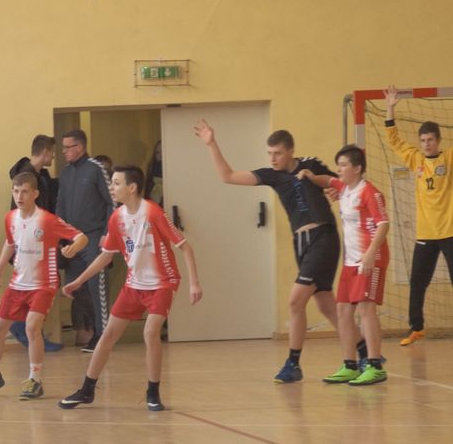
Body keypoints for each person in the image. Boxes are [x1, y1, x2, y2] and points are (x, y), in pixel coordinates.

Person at [194, 119, 368, 383]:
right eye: (269, 153)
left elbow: (340, 181)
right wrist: (211, 144)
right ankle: (365, 353)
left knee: (295, 300)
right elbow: (228, 176)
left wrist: (334, 190)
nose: (272, 158)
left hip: (323, 238)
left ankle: (293, 364)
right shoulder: (272, 175)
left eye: (277, 153)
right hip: (301, 243)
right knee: (327, 306)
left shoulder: (310, 164)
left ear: (290, 151)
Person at [58, 166, 202, 411]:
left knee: (150, 332)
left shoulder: (153, 213)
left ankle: (153, 392)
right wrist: (79, 280)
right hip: (134, 285)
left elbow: (186, 247)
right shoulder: (117, 218)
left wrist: (194, 283)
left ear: (132, 187)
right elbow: (106, 256)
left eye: (116, 183)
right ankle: (86, 390)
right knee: (108, 335)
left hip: (162, 283)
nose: (111, 188)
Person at [0, 172, 87, 400]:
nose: (19, 196)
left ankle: (35, 379)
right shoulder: (10, 218)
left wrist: (72, 248)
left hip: (43, 284)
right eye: (16, 191)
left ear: (35, 194)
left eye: (24, 192)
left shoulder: (47, 220)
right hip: (18, 284)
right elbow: (10, 243)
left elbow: (82, 237)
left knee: (32, 327)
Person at [298, 145, 389, 385]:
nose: (339, 169)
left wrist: (370, 254)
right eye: (338, 165)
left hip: (370, 259)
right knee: (342, 310)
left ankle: (375, 365)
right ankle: (350, 364)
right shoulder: (344, 188)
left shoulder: (370, 192)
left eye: (343, 165)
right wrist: (310, 176)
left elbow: (383, 224)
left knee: (366, 309)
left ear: (357, 168)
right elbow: (327, 180)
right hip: (350, 261)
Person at [382, 86, 453, 346]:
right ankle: (416, 328)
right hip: (425, 234)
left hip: (450, 232)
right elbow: (394, 140)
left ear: (438, 141)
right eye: (422, 140)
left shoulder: (449, 158)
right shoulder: (415, 160)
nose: (426, 144)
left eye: (430, 140)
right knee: (417, 282)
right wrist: (390, 107)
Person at [57, 129, 113, 352]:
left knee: (96, 287)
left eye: (67, 147)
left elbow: (112, 203)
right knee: (74, 287)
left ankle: (102, 335)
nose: (64, 152)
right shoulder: (65, 173)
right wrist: (61, 237)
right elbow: (60, 206)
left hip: (94, 237)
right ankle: (93, 329)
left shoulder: (96, 169)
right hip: (72, 239)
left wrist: (107, 233)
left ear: (79, 147)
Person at [7, 134, 64, 352]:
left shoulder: (41, 177)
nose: (53, 157)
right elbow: (24, 213)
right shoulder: (26, 178)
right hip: (30, 243)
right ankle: (25, 329)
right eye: (52, 153)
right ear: (46, 152)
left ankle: (28, 329)